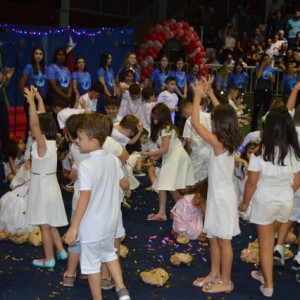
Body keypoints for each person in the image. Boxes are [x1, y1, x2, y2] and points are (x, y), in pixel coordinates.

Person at [64, 114, 131, 300]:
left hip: (92, 224)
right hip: (110, 221)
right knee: (110, 253)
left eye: (81, 138)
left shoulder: (86, 166)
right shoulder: (112, 158)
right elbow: (122, 182)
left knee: (92, 264)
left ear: (93, 140)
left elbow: (84, 198)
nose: (77, 142)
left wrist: (74, 227)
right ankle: (122, 290)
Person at [238, 106, 300, 297]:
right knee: (269, 241)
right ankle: (260, 272)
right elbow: (297, 181)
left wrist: (244, 203)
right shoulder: (293, 151)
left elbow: (252, 183)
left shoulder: (260, 153)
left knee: (265, 244)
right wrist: (284, 193)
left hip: (266, 201)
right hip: (286, 201)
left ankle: (268, 285)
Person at [191, 77, 242, 294]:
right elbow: (223, 111)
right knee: (213, 236)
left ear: (219, 125)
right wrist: (211, 93)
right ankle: (215, 273)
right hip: (217, 195)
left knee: (223, 240)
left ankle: (227, 282)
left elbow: (195, 123)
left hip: (222, 198)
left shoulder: (218, 143)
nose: (210, 124)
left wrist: (196, 96)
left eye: (213, 121)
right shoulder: (228, 139)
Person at [24, 86, 68, 268]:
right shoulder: (50, 143)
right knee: (51, 222)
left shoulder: (41, 144)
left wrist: (31, 102)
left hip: (42, 186)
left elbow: (35, 124)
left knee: (44, 225)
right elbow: (42, 118)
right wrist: (39, 98)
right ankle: (61, 251)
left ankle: (49, 258)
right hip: (50, 184)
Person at [141, 103, 195, 221]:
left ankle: (181, 213)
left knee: (169, 186)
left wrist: (147, 154)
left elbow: (164, 149)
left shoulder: (165, 128)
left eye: (156, 116)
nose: (154, 118)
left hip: (174, 157)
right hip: (173, 157)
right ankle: (167, 212)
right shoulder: (166, 128)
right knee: (166, 185)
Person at [19, 47, 47, 138]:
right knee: (31, 124)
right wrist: (26, 97)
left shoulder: (45, 68)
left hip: (42, 100)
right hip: (31, 100)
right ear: (33, 55)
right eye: (36, 53)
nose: (38, 56)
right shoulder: (29, 67)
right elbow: (22, 83)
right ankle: (28, 145)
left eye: (40, 54)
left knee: (41, 124)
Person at [250, 54, 275, 131]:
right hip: (259, 90)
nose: (266, 60)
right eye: (265, 59)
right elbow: (258, 76)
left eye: (268, 59)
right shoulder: (258, 67)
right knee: (256, 109)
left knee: (266, 110)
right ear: (262, 60)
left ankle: (265, 129)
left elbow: (273, 82)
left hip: (268, 91)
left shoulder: (272, 69)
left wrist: (271, 79)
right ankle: (253, 129)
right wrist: (262, 66)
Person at [0, 67, 14, 156]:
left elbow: (5, 86)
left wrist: (8, 78)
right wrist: (3, 75)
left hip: (1, 102)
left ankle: (6, 156)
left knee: (5, 129)